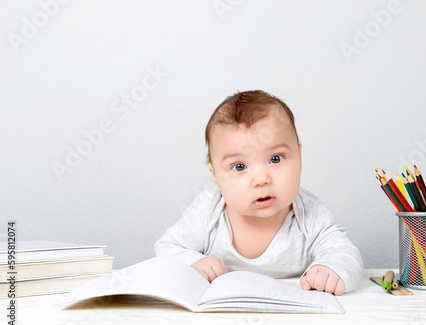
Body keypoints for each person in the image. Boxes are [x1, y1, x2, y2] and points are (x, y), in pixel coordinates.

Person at [155, 90, 363, 295]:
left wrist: (332, 270)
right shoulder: (208, 210)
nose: (261, 179)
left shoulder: (311, 213)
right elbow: (166, 247)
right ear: (216, 176)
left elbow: (345, 254)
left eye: (275, 159)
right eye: (239, 167)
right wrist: (194, 262)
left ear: (299, 157)